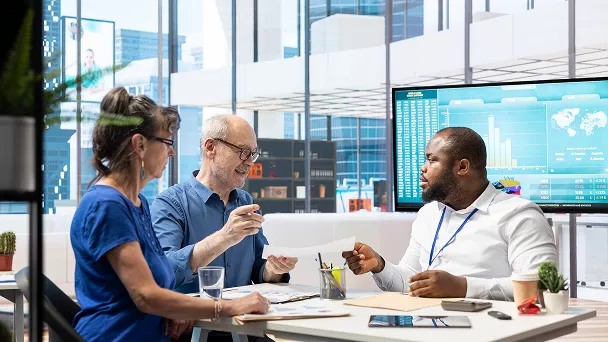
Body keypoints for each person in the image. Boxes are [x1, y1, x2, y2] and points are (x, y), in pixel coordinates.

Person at [70, 89, 270, 342]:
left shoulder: (137, 202)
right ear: (140, 145)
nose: (172, 153)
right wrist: (227, 307)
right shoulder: (106, 205)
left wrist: (176, 306)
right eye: (167, 143)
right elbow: (146, 296)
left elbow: (157, 282)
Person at [342, 127, 557, 301]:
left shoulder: (519, 215)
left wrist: (463, 287)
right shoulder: (428, 215)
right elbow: (410, 282)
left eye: (432, 160)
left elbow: (541, 285)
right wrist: (379, 265)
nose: (423, 168)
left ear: (462, 167)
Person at [151, 114, 297, 341]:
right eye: (243, 151)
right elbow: (163, 269)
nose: (250, 161)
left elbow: (259, 269)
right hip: (194, 332)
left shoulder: (246, 202)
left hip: (244, 329)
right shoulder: (170, 203)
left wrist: (274, 269)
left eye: (253, 154)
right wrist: (224, 237)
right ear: (210, 147)